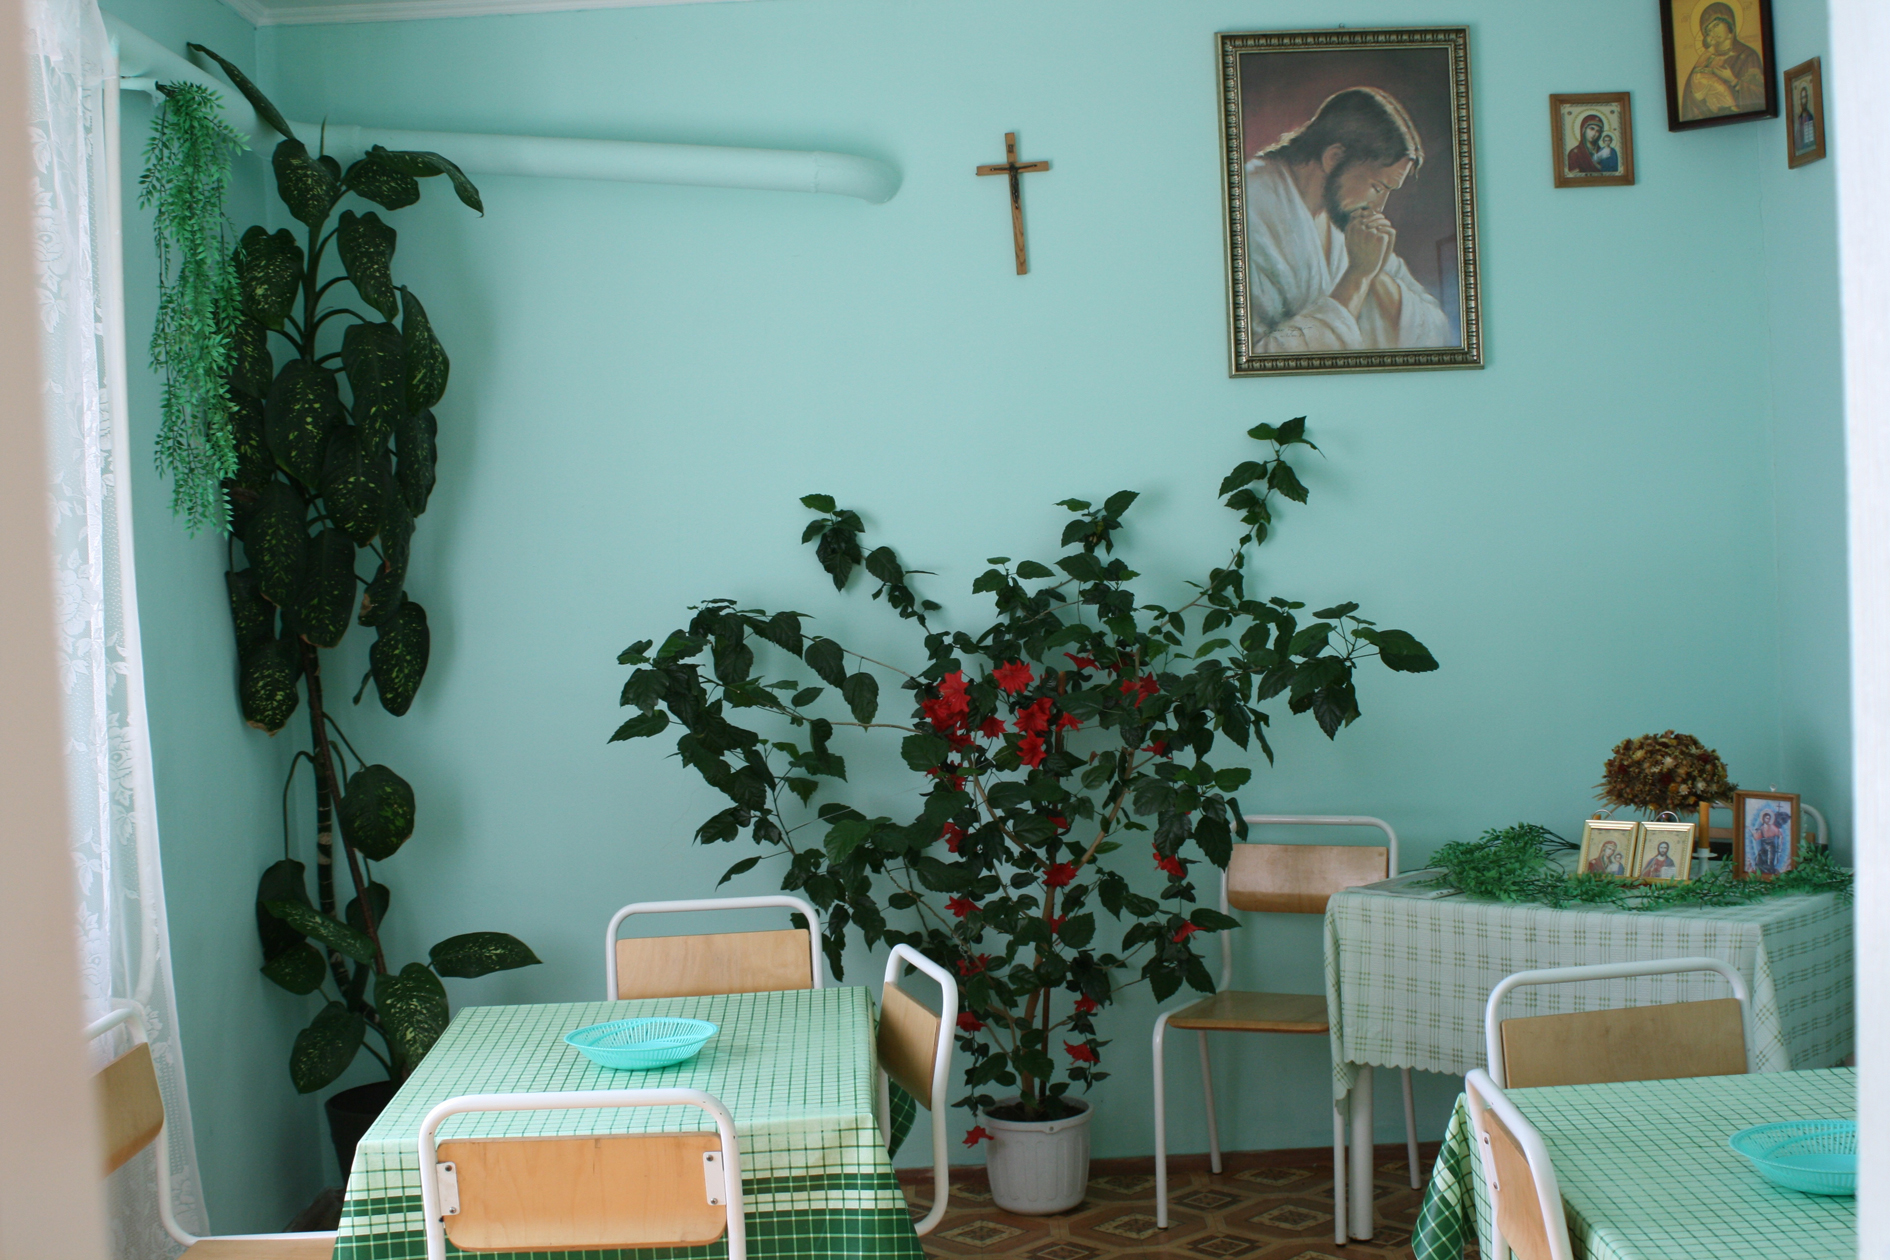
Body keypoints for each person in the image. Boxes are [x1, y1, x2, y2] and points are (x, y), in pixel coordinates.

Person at [1243, 86, 1452, 353]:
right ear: (1334, 158)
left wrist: (1374, 274)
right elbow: (1258, 355)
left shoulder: (1346, 217)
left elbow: (1436, 330)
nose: (1380, 206)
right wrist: (1357, 276)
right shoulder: (1251, 204)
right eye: (1377, 187)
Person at [1682, 3, 1767, 121]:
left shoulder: (1747, 56)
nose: (1713, 32)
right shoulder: (1706, 60)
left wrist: (1733, 80)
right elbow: (1689, 103)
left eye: (1716, 25)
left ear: (1729, 23)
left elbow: (1760, 96)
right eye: (1709, 30)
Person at [1795, 84, 1817, 151]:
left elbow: (1811, 137)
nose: (1803, 101)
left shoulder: (1809, 116)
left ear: (1807, 99)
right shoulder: (1800, 117)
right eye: (1802, 98)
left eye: (1804, 98)